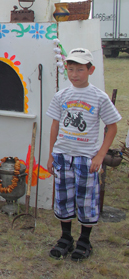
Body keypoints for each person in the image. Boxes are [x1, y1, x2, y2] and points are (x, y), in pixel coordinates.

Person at [46, 48, 121, 261]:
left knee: (86, 200)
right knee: (63, 198)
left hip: (85, 158)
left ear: (91, 70)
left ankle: (85, 241)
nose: (75, 74)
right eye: (71, 69)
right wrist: (51, 154)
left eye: (80, 69)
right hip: (62, 156)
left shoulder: (99, 97)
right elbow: (54, 126)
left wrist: (99, 156)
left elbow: (112, 127)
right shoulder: (62, 95)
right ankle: (66, 238)